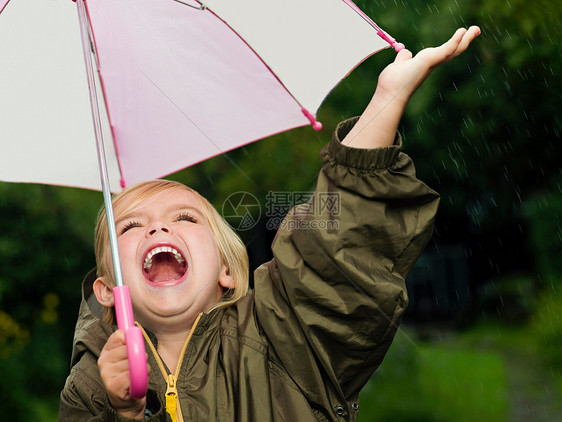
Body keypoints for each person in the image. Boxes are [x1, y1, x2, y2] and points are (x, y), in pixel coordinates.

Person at [59, 27, 481, 421]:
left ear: (226, 270)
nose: (157, 229)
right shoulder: (89, 389)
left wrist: (387, 99)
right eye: (131, 227)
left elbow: (334, 254)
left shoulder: (280, 333)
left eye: (184, 218)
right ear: (107, 292)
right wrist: (124, 413)